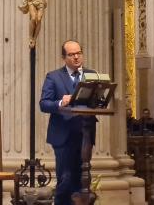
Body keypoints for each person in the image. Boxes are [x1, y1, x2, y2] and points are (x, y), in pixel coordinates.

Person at [39, 40, 95, 205]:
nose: (76, 57)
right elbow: (44, 104)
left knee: (82, 181)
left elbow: (99, 100)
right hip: (63, 135)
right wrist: (60, 103)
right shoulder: (54, 77)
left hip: (84, 133)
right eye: (71, 54)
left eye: (79, 53)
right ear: (64, 57)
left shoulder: (91, 75)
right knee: (66, 178)